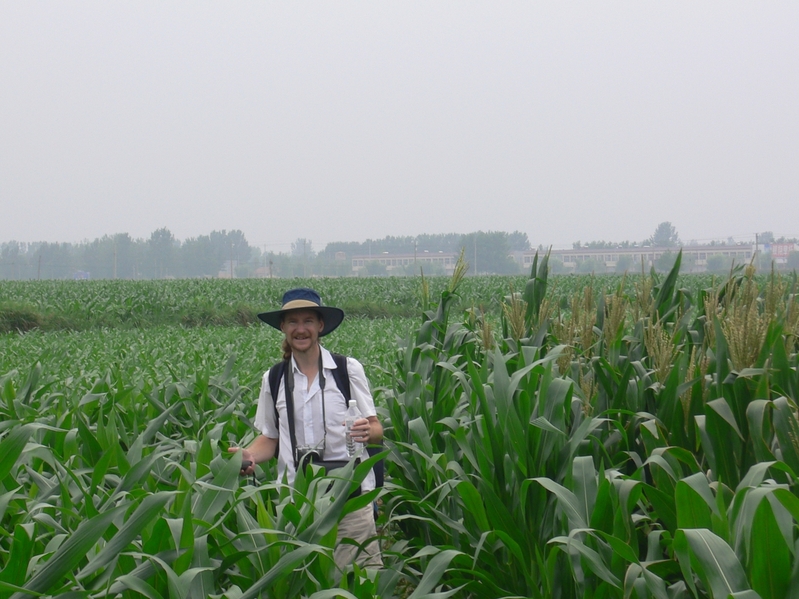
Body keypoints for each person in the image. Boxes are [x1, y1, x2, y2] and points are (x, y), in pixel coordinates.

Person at [230, 288, 383, 569]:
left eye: (308, 321)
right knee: (306, 583)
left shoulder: (347, 370)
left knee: (360, 582)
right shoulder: (274, 378)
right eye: (293, 322)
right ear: (283, 327)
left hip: (350, 499)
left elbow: (376, 429)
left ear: (320, 326)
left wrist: (366, 430)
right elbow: (270, 438)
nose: (301, 329)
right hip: (296, 503)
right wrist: (247, 455)